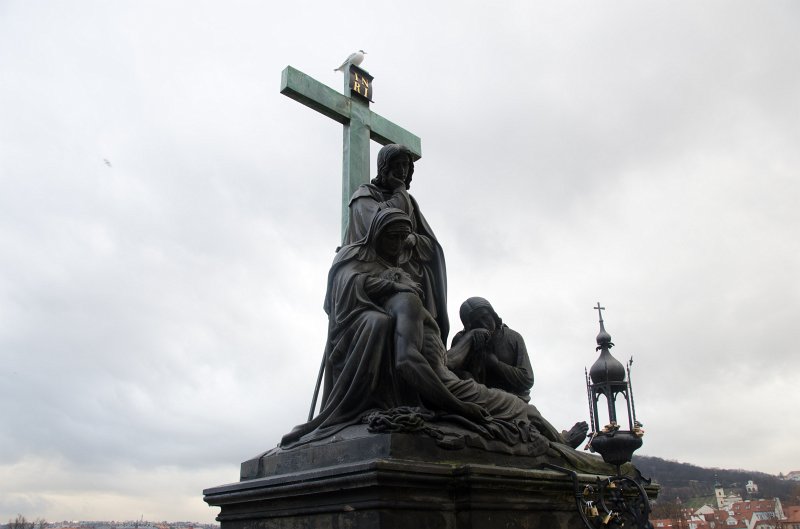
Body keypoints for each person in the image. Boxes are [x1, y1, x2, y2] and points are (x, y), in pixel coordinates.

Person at [282, 209, 568, 451]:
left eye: (402, 240)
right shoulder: (405, 301)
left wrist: (468, 344)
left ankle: (561, 443)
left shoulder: (406, 307)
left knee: (520, 409)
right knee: (521, 410)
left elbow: (443, 362)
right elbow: (411, 362)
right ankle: (561, 446)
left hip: (446, 380)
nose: (398, 250)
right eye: (392, 239)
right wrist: (458, 406)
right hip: (445, 388)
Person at [344, 144, 449, 342]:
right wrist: (401, 192)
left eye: (406, 166)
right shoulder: (364, 197)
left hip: (411, 277)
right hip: (376, 276)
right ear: (384, 166)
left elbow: (431, 245)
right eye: (397, 165)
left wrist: (414, 239)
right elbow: (377, 227)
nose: (402, 171)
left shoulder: (411, 202)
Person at [448, 297, 534, 402]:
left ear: (492, 314)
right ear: (469, 325)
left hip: (509, 399)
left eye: (485, 317)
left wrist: (496, 364)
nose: (484, 324)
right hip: (474, 398)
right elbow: (447, 368)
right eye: (476, 322)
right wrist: (470, 338)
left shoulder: (513, 337)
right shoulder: (462, 340)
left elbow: (527, 379)